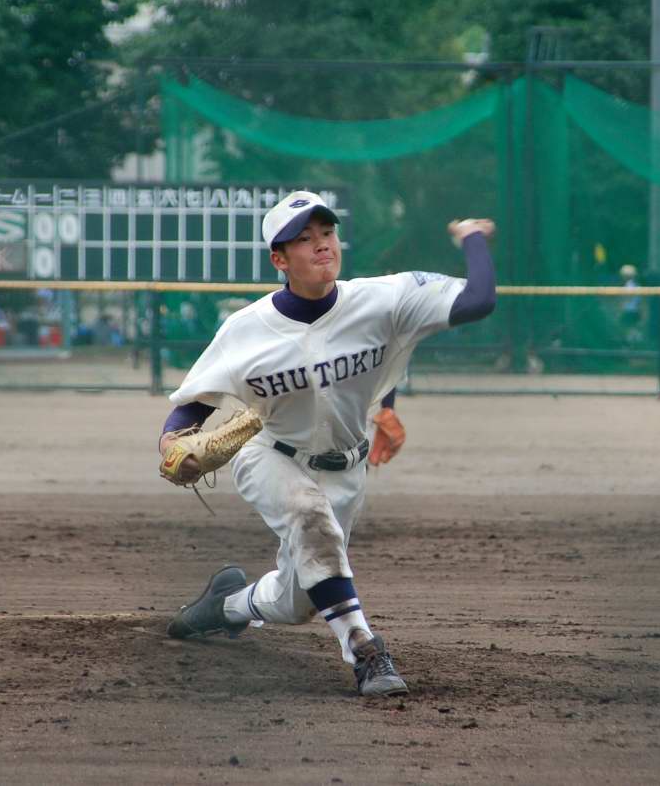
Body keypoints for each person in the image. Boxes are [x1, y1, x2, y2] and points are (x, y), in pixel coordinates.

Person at [159, 190, 496, 697]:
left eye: (327, 233)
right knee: (307, 516)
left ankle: (225, 605)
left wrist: (472, 237)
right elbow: (191, 408)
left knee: (299, 599)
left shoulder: (382, 299)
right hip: (270, 458)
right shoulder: (244, 331)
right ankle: (364, 649)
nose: (322, 245)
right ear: (279, 258)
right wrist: (170, 444)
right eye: (305, 238)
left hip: (347, 471)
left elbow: (477, 300)